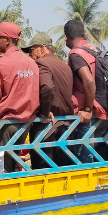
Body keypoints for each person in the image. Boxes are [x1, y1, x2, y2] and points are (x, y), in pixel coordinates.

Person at [65, 19, 108, 163]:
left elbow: (89, 81)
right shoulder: (96, 50)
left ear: (67, 37)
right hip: (104, 109)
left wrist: (87, 109)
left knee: (84, 157)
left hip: (89, 114)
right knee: (97, 154)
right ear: (84, 34)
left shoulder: (76, 54)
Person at [0, 22, 40, 172]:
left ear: (7, 40)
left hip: (8, 123)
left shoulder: (1, 64)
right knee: (15, 160)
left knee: (6, 166)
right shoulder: (31, 63)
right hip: (27, 122)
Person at [22, 33, 73, 168]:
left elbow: (47, 87)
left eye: (31, 50)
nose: (30, 55)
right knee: (62, 169)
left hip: (47, 127)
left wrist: (44, 112)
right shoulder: (64, 66)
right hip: (65, 125)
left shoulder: (41, 63)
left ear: (41, 48)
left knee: (43, 170)